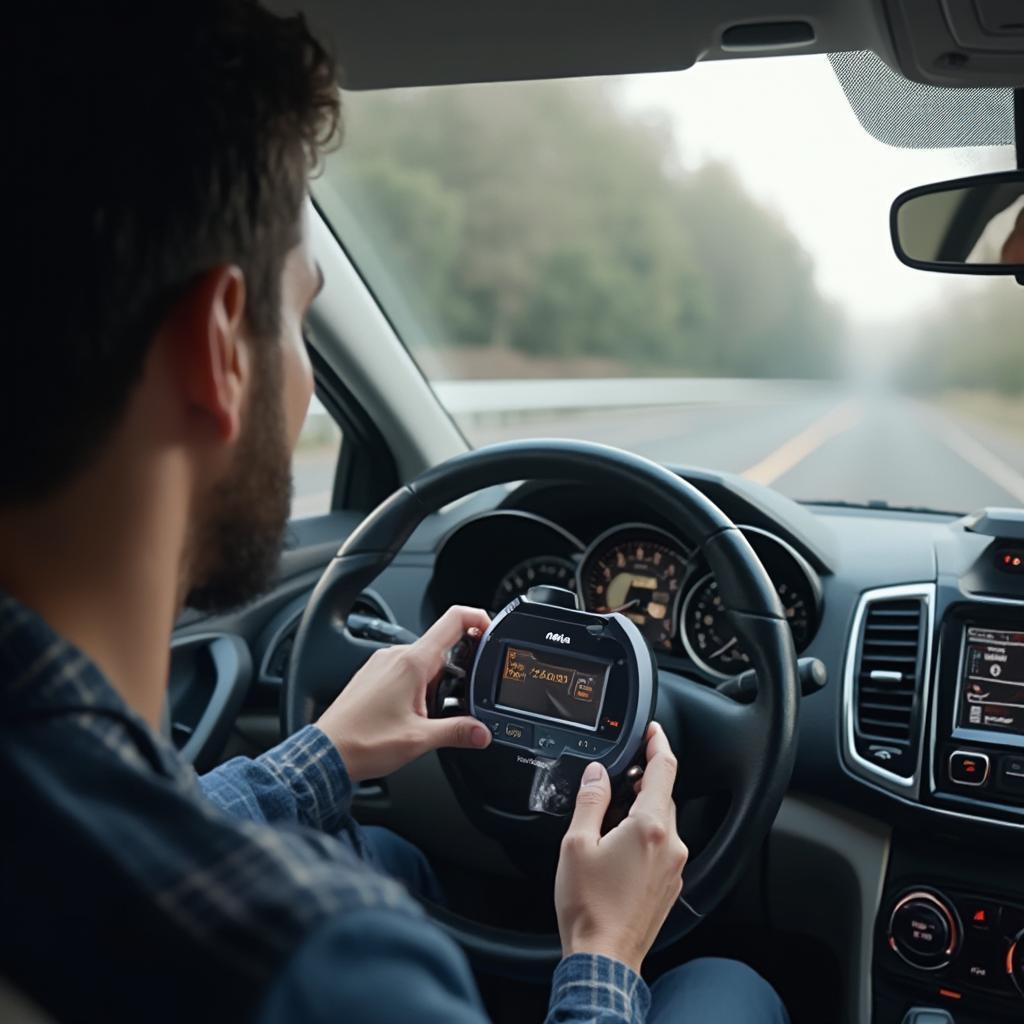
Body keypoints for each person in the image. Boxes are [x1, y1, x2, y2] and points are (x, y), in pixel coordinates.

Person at [1, 3, 789, 1022]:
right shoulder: (327, 969)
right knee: (728, 986)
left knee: (395, 857)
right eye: (297, 315)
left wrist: (319, 755)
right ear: (221, 349)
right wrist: (603, 951)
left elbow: (122, 823)